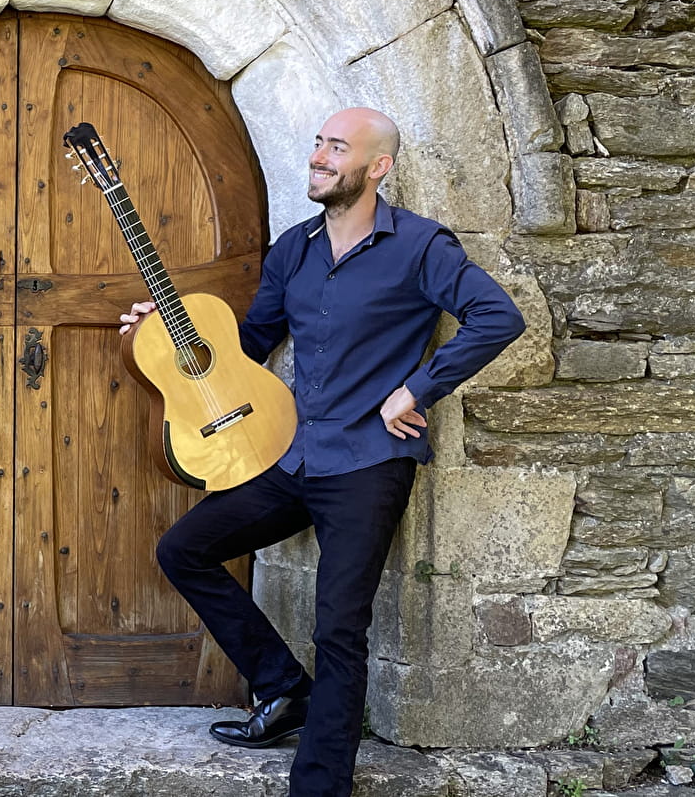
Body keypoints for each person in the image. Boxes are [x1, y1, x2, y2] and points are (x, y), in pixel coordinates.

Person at [119, 107, 525, 797]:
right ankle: (281, 689)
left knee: (338, 628)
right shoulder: (294, 249)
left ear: (377, 167)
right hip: (291, 457)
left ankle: (318, 784)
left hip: (368, 464)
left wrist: (418, 389)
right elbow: (248, 348)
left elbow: (498, 316)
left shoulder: (421, 247)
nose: (318, 157)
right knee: (182, 549)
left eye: (336, 148)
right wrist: (158, 338)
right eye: (316, 144)